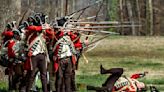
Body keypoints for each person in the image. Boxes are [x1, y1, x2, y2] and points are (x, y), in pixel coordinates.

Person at [23, 15, 53, 92]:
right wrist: (42, 27)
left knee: (44, 75)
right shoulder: (31, 29)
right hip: (33, 55)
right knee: (31, 74)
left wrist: (48, 27)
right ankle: (28, 89)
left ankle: (45, 90)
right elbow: (31, 28)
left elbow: (51, 35)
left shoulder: (43, 31)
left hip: (42, 55)